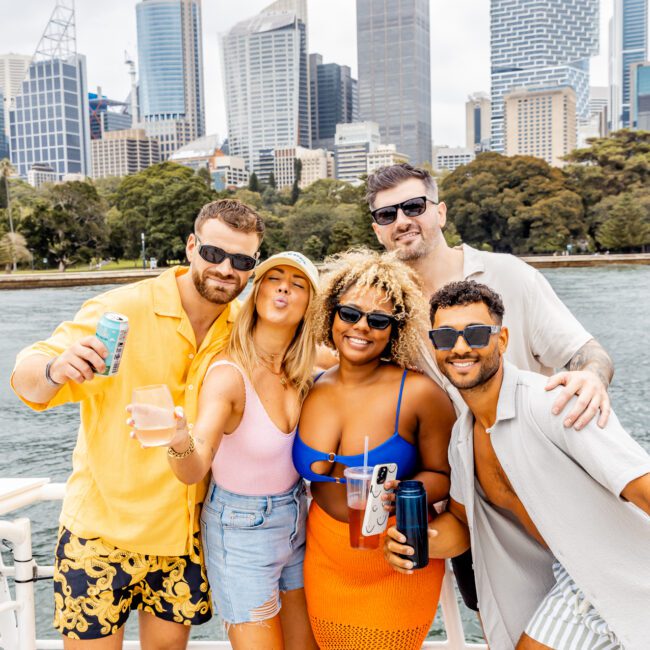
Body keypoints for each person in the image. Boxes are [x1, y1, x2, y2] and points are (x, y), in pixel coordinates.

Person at [10, 199, 264, 648]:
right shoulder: (121, 308)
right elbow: (29, 379)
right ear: (191, 246)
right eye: (213, 254)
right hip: (99, 534)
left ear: (253, 265)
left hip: (184, 537)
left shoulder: (245, 328)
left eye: (242, 261)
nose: (226, 269)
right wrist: (55, 370)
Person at [366, 162, 615, 612]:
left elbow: (586, 352)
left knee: (602, 608)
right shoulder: (385, 310)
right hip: (469, 506)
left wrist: (591, 380)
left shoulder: (508, 275)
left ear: (439, 212)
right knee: (497, 616)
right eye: (387, 215)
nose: (402, 221)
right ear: (378, 230)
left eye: (413, 206)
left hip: (551, 486)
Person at [385, 281, 650, 649]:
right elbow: (462, 525)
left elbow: (641, 486)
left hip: (624, 574)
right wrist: (413, 543)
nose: (460, 347)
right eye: (445, 337)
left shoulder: (554, 404)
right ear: (434, 346)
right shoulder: (462, 441)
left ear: (503, 339)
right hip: (570, 581)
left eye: (476, 334)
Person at [154, 251, 319, 650]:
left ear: (310, 305)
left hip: (298, 519)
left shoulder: (306, 370)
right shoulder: (229, 376)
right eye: (274, 278)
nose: (284, 287)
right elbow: (195, 467)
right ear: (257, 292)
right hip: (240, 531)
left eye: (298, 284)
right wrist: (178, 440)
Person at [293, 249, 456, 649]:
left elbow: (444, 476)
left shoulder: (419, 394)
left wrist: (395, 492)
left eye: (379, 320)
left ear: (394, 330)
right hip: (323, 558)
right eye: (349, 314)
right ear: (329, 314)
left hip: (393, 558)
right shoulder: (308, 385)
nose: (361, 327)